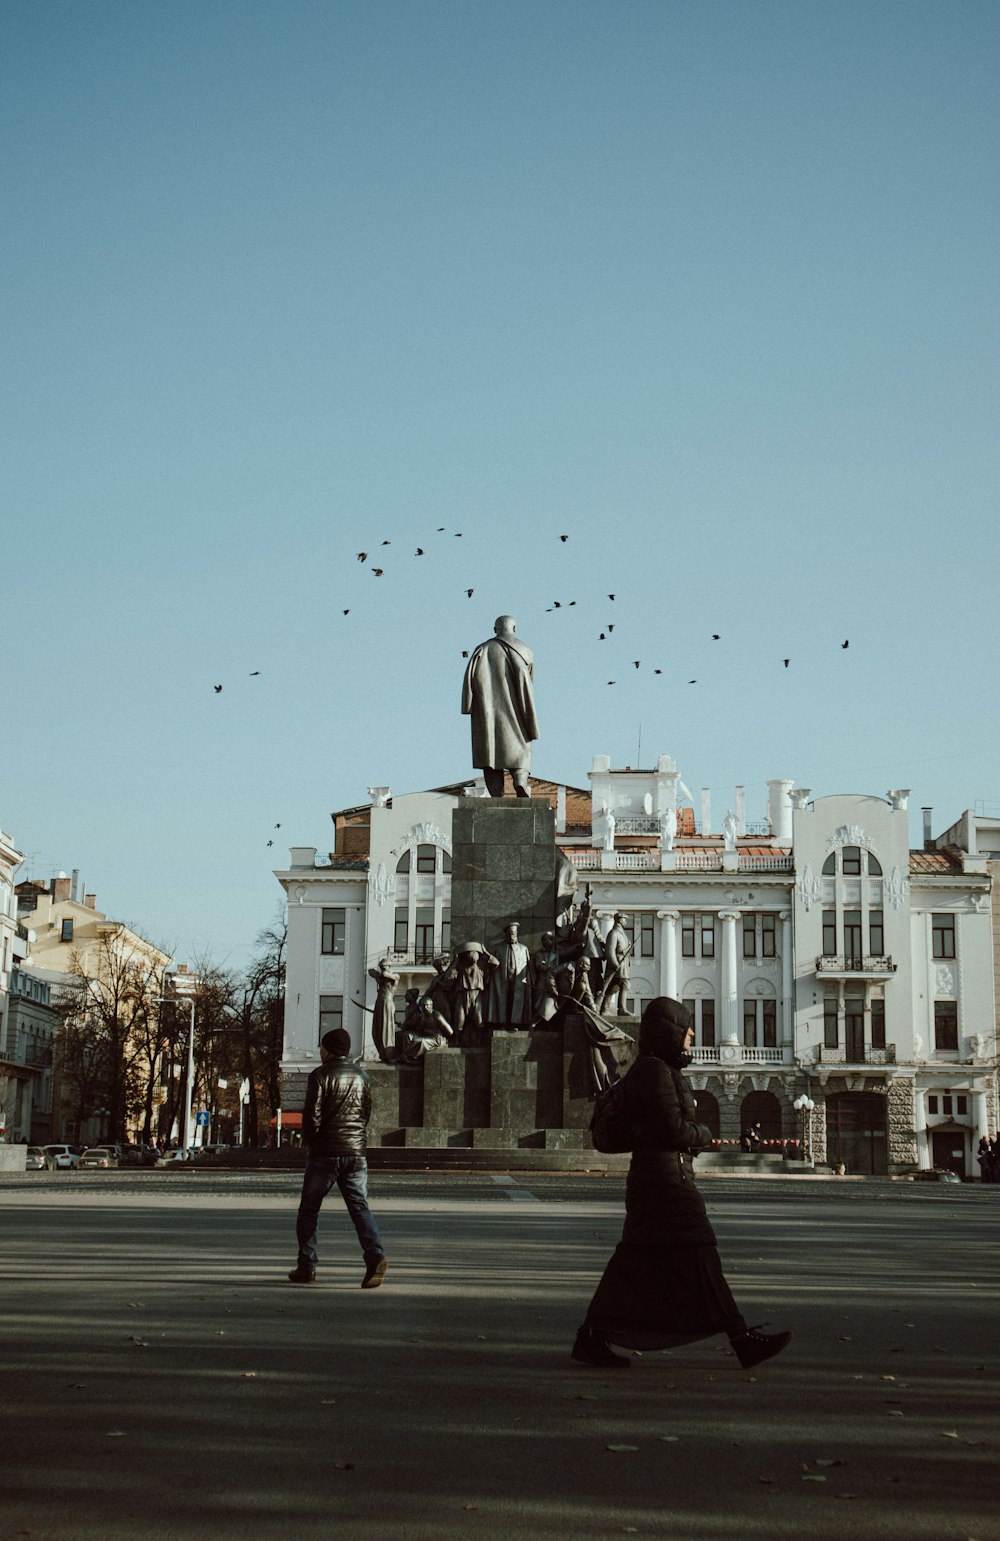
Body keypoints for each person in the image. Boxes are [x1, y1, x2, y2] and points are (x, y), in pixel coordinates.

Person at [570, 997, 791, 1371]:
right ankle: (741, 1340)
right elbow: (671, 1129)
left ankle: (592, 1336)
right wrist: (703, 1133)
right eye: (685, 1027)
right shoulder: (655, 1072)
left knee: (636, 1262)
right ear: (669, 1032)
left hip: (660, 1179)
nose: (692, 1033)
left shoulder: (655, 1069)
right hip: (666, 1184)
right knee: (698, 1256)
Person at [288, 1027, 388, 1289]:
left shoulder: (319, 1075)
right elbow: (366, 1112)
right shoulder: (362, 1076)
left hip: (325, 1153)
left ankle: (306, 1266)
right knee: (359, 1208)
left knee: (309, 1210)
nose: (320, 1052)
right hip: (356, 1154)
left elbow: (312, 1116)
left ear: (328, 1049)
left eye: (322, 1047)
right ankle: (374, 1256)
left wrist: (311, 1141)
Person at [461, 615, 539, 797]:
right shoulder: (526, 650)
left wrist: (468, 705)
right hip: (518, 710)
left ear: (495, 629)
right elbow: (530, 683)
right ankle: (520, 780)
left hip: (487, 713)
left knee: (489, 753)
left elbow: (469, 681)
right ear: (514, 628)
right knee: (521, 747)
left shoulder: (482, 649)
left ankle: (496, 793)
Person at [486, 921, 533, 1029]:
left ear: (517, 935)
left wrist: (528, 980)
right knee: (502, 1001)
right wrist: (492, 965)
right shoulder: (498, 948)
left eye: (514, 934)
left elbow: (528, 967)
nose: (512, 936)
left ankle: (514, 1023)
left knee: (515, 1001)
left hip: (518, 980)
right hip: (502, 980)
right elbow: (490, 966)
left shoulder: (523, 949)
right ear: (505, 935)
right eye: (510, 934)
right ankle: (502, 1023)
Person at [599, 913, 633, 1016]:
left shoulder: (621, 933)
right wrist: (615, 964)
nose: (626, 921)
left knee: (613, 987)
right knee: (624, 984)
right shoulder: (614, 933)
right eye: (624, 919)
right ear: (619, 920)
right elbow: (610, 951)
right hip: (618, 963)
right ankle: (621, 1009)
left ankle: (605, 1009)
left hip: (623, 963)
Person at [368, 957, 399, 1063]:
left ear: (389, 967)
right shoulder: (381, 978)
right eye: (381, 967)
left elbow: (385, 975)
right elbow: (370, 971)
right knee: (377, 1028)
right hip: (380, 1002)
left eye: (384, 967)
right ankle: (382, 1053)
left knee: (386, 1028)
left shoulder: (395, 976)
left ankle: (388, 1053)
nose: (382, 969)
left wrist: (379, 974)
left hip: (387, 1002)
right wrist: (378, 975)